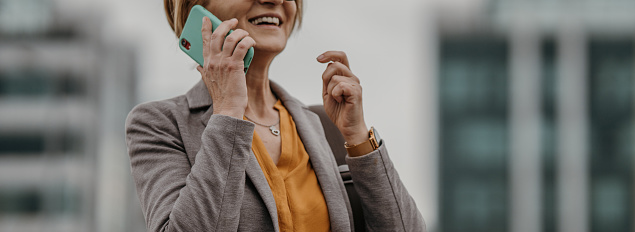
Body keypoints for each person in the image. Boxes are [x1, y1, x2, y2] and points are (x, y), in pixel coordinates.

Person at [124, 0, 425, 231]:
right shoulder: (159, 125)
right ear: (195, 9)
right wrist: (228, 112)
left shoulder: (324, 126)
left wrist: (359, 138)